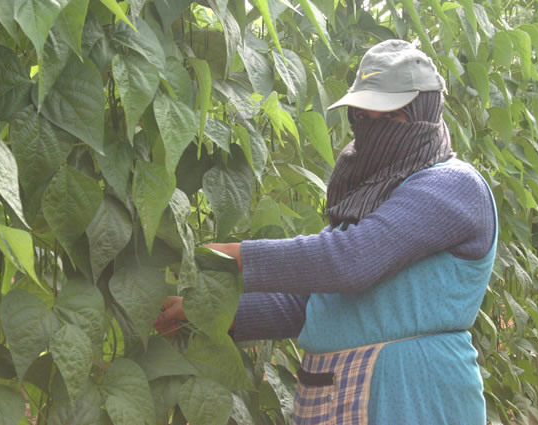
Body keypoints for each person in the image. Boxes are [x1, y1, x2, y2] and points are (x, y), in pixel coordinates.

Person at [155, 39, 497, 425]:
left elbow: (351, 261)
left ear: (426, 111)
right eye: (364, 116)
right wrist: (205, 310)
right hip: (332, 395)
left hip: (414, 398)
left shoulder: (453, 185)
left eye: (391, 116)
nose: (374, 129)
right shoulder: (368, 195)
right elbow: (310, 306)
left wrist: (233, 256)